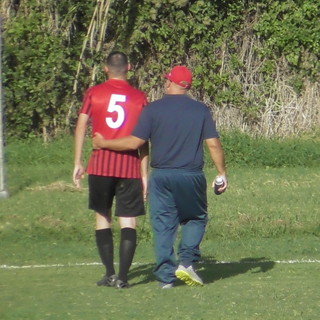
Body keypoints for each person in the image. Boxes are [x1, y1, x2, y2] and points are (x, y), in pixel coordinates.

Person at [92, 65, 227, 289]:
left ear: (170, 83)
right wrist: (221, 172)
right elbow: (213, 144)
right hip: (190, 175)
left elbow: (135, 142)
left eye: (167, 80)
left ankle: (166, 278)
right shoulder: (200, 110)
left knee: (163, 224)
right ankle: (186, 262)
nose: (165, 83)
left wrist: (104, 143)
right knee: (195, 218)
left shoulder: (153, 109)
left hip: (161, 176)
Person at [73, 51, 148, 289]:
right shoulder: (139, 98)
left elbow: (82, 125)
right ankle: (123, 278)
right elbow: (145, 139)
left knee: (102, 216)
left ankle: (108, 273)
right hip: (130, 167)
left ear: (106, 68)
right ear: (130, 67)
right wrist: (145, 174)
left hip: (100, 165)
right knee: (128, 221)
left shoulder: (94, 93)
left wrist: (78, 161)